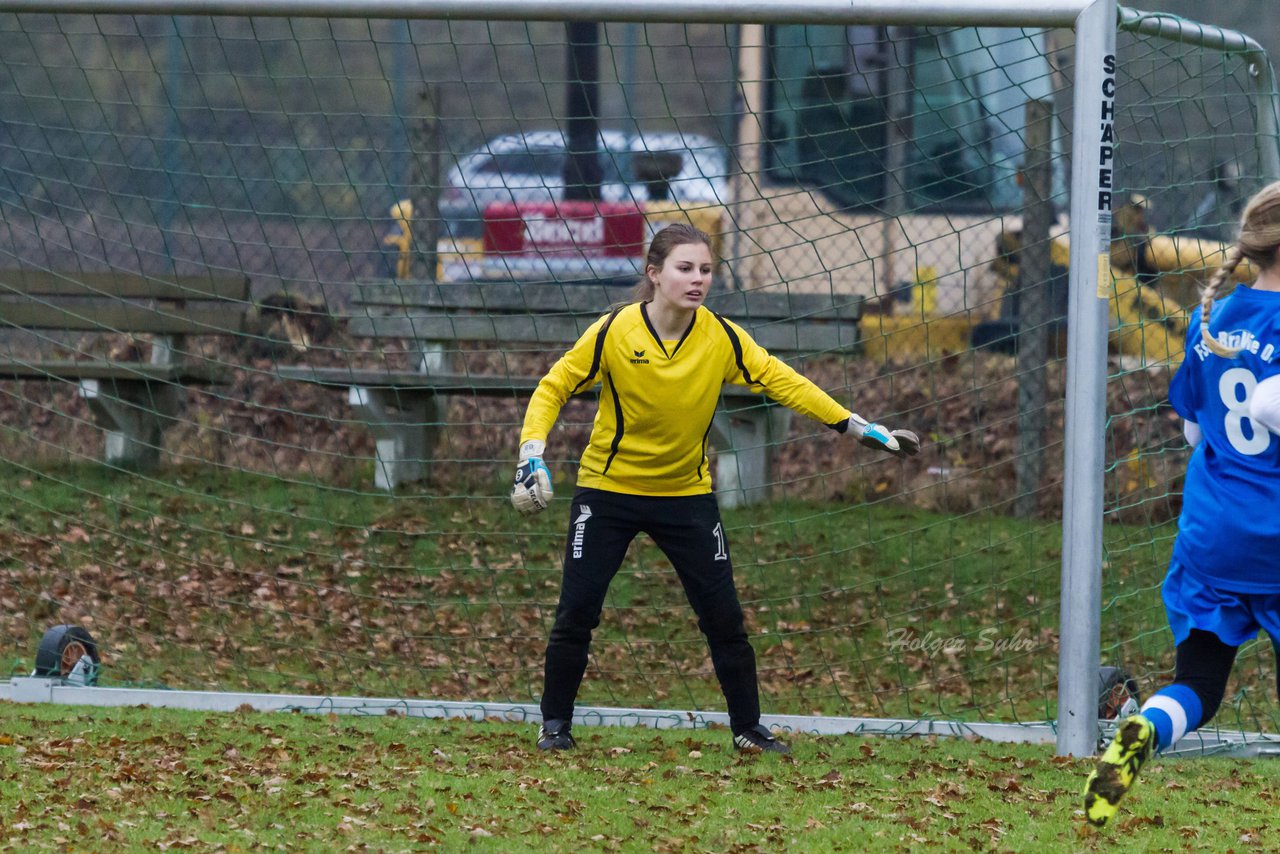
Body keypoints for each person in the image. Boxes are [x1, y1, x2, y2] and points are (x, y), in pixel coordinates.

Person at [509, 222, 920, 753]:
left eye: (705, 270)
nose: (697, 279)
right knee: (577, 612)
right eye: (685, 268)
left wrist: (856, 426)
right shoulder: (613, 331)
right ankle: (555, 726)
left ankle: (748, 730)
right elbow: (553, 386)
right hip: (607, 493)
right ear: (654, 274)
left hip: (686, 497)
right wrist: (530, 453)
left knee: (724, 618)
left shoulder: (721, 336)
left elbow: (783, 380)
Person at [1083, 180, 1280, 827]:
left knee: (1198, 686)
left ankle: (1143, 731)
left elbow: (1195, 427)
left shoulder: (1213, 319)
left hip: (1213, 534)